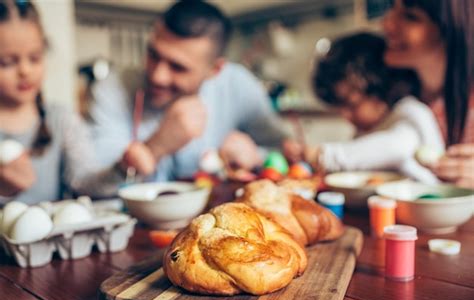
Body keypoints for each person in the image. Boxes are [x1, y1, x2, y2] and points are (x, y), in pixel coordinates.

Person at [89, 0, 290, 181]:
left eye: (178, 67)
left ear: (215, 69)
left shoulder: (238, 83)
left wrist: (257, 156)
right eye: (153, 54)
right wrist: (155, 147)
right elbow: (93, 184)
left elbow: (287, 153)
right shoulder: (114, 87)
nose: (158, 76)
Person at [0, 0, 142, 205]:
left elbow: (84, 183)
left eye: (35, 58)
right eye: (7, 62)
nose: (25, 70)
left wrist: (121, 168)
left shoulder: (60, 119)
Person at [302, 33, 444, 183]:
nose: (345, 115)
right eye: (339, 107)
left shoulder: (411, 111)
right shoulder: (366, 129)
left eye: (351, 104)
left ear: (381, 88)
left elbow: (397, 148)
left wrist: (324, 155)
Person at [382, 0, 474, 188]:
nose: (387, 23)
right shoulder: (391, 95)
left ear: (452, 28)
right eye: (392, 8)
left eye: (411, 17)